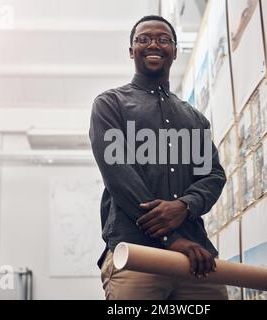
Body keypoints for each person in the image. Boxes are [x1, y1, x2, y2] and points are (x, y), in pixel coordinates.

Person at [89, 15, 228, 300]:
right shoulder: (110, 105)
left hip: (197, 261)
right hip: (137, 256)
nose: (154, 44)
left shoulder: (195, 119)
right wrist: (171, 240)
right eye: (144, 39)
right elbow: (120, 175)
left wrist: (185, 206)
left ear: (175, 51)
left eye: (163, 39)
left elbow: (213, 176)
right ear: (132, 50)